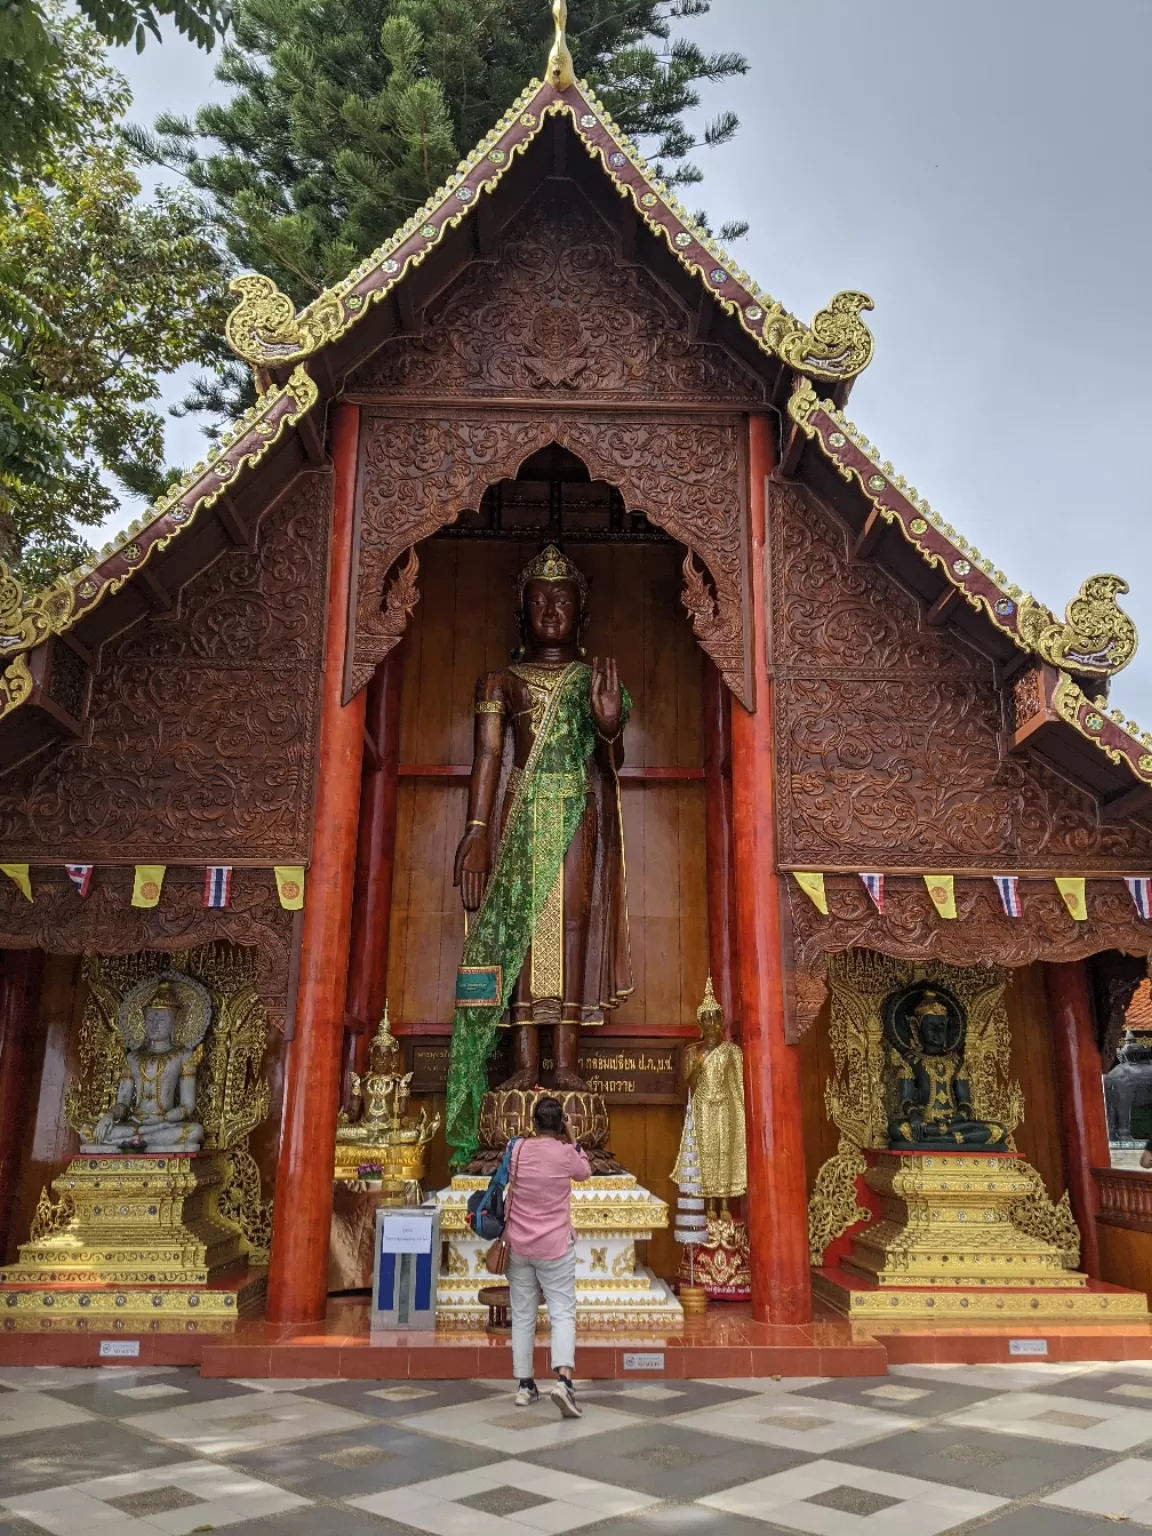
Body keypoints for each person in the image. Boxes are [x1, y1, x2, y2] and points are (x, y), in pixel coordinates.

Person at [504, 1094, 590, 1417]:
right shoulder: (567, 1154)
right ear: (559, 1123)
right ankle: (564, 1381)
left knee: (523, 1313)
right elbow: (586, 1170)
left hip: (519, 1244)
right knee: (563, 1311)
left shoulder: (518, 1150)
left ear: (533, 1122)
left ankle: (525, 1386)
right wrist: (571, 1136)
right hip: (555, 1245)